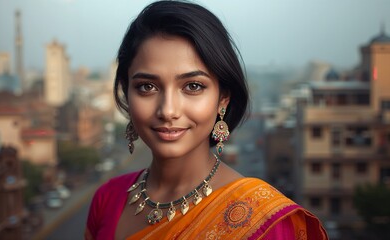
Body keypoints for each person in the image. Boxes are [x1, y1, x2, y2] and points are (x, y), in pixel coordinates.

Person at [86, 1, 328, 239]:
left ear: (223, 98)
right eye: (147, 86)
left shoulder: (264, 223)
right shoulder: (108, 199)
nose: (168, 110)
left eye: (193, 86)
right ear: (127, 93)